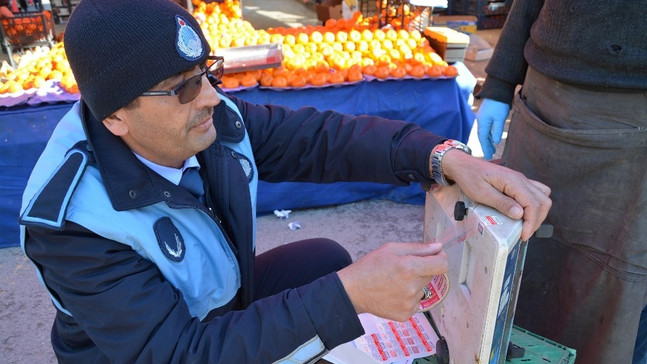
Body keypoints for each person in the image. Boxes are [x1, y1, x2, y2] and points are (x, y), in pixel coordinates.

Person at [19, 0, 551, 362]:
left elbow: (322, 139)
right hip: (151, 352)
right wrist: (348, 298)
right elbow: (180, 354)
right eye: (180, 89)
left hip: (211, 305)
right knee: (336, 291)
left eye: (208, 72)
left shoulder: (209, 118)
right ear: (116, 118)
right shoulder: (71, 222)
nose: (208, 96)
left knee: (320, 262)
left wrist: (444, 159)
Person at [475, 1, 647, 363]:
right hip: (543, 100)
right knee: (519, 254)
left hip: (634, 117)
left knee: (610, 293)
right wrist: (500, 81)